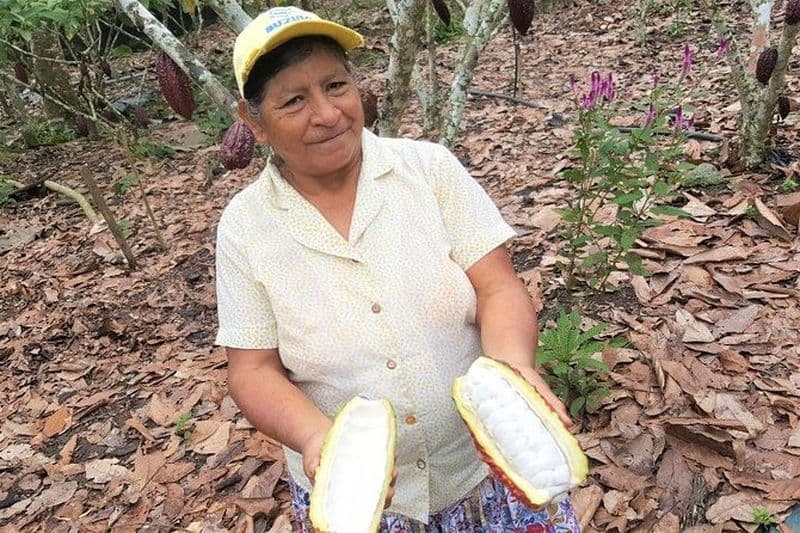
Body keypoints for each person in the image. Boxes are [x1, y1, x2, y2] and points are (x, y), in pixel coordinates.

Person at [214, 6, 581, 531]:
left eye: (336, 85)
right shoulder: (245, 228)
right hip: (359, 494)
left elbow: (497, 288)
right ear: (254, 122)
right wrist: (318, 438)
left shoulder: (428, 171)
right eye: (294, 100)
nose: (327, 113)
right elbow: (252, 370)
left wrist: (513, 373)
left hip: (488, 465)